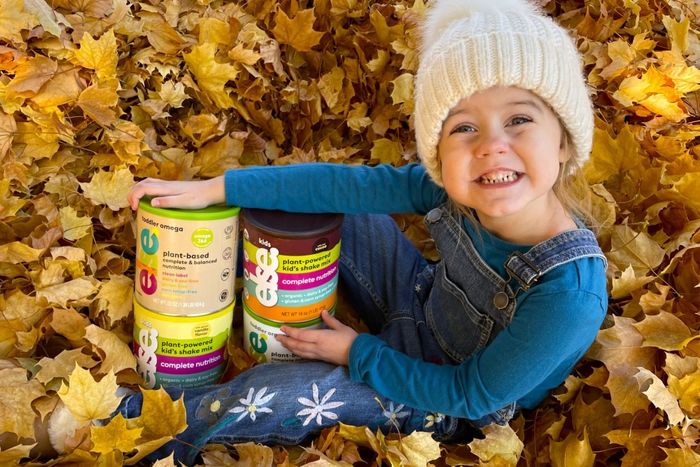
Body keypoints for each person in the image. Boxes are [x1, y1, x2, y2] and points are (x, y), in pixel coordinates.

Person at [62, 0, 610, 463]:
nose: (491, 145)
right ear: (438, 156)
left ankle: (138, 419)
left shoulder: (567, 293)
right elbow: (341, 186)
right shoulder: (449, 187)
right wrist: (220, 189)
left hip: (442, 398)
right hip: (416, 304)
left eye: (519, 120)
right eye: (463, 127)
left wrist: (358, 354)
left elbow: (470, 394)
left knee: (289, 393)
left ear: (564, 141)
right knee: (336, 208)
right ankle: (223, 266)